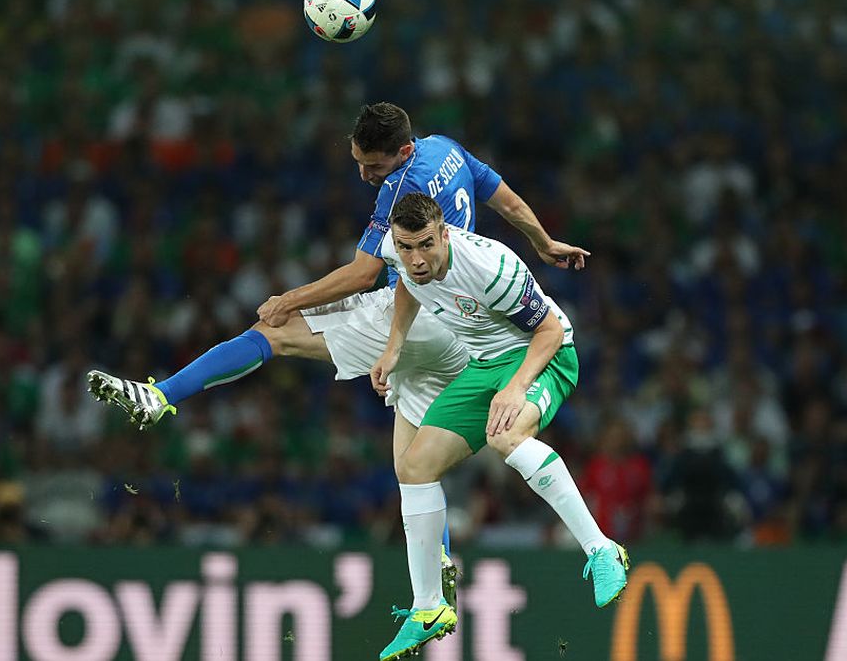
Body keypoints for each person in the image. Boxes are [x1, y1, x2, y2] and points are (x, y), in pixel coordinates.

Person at [86, 102, 589, 601]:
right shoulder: (447, 152)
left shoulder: (400, 192)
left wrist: (289, 299)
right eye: (357, 162)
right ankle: (437, 575)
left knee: (273, 331)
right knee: (414, 469)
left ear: (404, 152)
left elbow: (363, 273)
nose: (365, 174)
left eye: (372, 164)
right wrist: (543, 241)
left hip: (414, 310)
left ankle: (160, 395)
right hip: (459, 328)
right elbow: (505, 199)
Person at [370, 193, 627, 661]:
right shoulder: (396, 248)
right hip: (485, 363)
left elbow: (548, 329)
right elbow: (408, 286)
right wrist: (393, 347)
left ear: (444, 233)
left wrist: (516, 388)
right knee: (414, 467)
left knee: (504, 434)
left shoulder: (493, 268)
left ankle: (602, 549)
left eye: (426, 244)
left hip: (542, 356)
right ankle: (428, 607)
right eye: (406, 248)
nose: (415, 258)